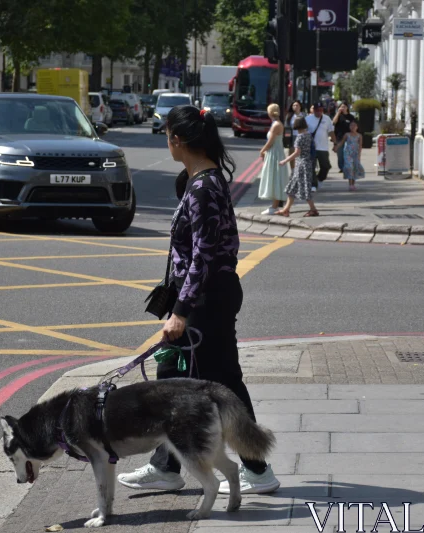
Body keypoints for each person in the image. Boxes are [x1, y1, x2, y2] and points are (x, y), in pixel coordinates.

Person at [117, 105, 281, 496]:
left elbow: (204, 256)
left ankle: (257, 470)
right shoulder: (199, 181)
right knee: (178, 379)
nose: (166, 140)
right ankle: (168, 466)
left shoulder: (205, 187)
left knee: (217, 385)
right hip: (210, 296)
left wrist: (181, 312)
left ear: (179, 140)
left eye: (168, 134)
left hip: (208, 300)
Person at [274, 116, 318, 217]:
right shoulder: (308, 135)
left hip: (301, 165)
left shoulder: (300, 137)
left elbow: (297, 152)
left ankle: (313, 209)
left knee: (305, 188)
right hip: (307, 163)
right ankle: (286, 210)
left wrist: (285, 160)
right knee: (292, 188)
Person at [257, 103, 289, 215]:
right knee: (273, 178)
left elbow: (270, 142)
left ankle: (274, 207)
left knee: (275, 178)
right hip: (273, 153)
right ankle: (274, 205)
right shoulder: (275, 123)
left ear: (270, 112)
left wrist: (262, 150)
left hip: (275, 154)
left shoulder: (276, 125)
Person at [306, 102, 335, 189]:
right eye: (317, 110)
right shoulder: (308, 119)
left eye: (321, 110)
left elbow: (331, 131)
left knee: (326, 166)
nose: (319, 112)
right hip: (311, 147)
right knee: (311, 167)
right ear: (313, 110)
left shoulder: (327, 119)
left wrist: (335, 143)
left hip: (323, 147)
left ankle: (319, 179)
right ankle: (313, 185)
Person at [334, 118, 365, 191]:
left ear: (357, 127)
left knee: (355, 168)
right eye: (351, 125)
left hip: (355, 153)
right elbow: (341, 142)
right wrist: (336, 147)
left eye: (354, 126)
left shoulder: (359, 135)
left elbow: (360, 146)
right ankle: (350, 184)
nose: (353, 127)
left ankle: (353, 184)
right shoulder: (347, 134)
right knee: (349, 167)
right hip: (348, 153)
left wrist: (359, 155)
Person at [332, 103, 354, 173]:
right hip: (339, 137)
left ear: (347, 108)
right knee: (340, 154)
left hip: (349, 137)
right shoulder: (339, 116)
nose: (343, 108)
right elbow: (333, 122)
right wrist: (338, 113)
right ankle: (341, 167)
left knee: (347, 152)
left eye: (344, 106)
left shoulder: (351, 117)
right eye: (341, 107)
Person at [285, 101, 306, 170]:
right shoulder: (289, 116)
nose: (295, 107)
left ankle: (300, 168)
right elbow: (287, 128)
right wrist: (287, 138)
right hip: (292, 136)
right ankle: (293, 169)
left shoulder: (304, 115)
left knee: (300, 153)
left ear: (300, 107)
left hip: (302, 136)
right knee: (292, 152)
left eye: (297, 105)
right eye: (294, 105)